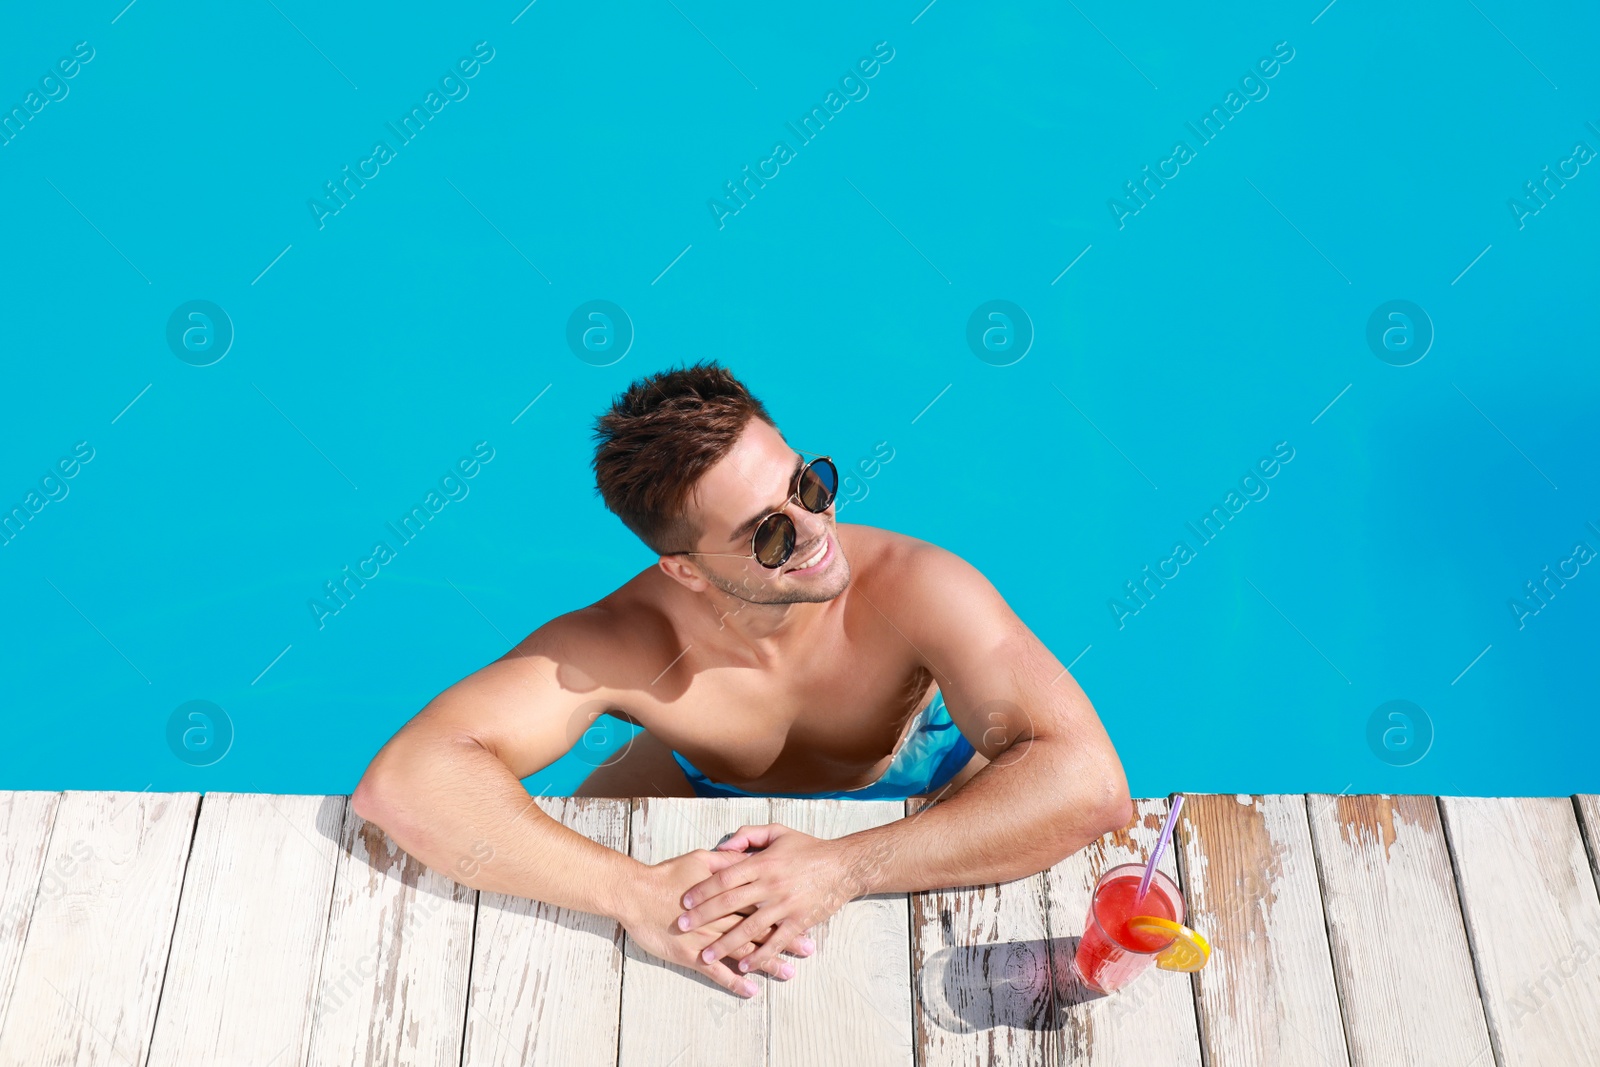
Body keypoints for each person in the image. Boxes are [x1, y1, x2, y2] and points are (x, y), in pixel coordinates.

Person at [352, 361, 1133, 1000]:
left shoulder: (916, 587)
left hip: (923, 764)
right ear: (684, 571)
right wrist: (634, 892)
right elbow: (406, 783)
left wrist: (843, 866)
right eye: (767, 534)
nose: (815, 529)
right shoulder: (628, 642)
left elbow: (1091, 782)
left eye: (809, 484)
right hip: (710, 780)